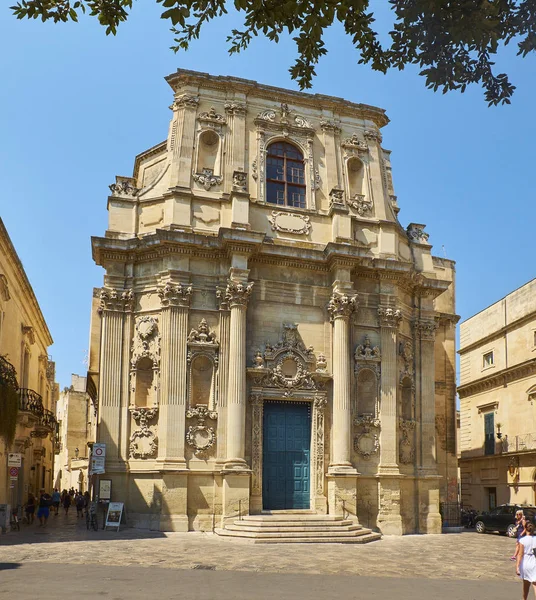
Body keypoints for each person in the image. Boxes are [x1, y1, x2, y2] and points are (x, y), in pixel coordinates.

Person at [517, 521, 536, 600]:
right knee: (535, 584)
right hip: (534, 561)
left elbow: (520, 554)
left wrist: (517, 567)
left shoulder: (522, 540)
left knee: (526, 583)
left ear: (525, 529)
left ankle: (524, 599)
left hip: (526, 562)